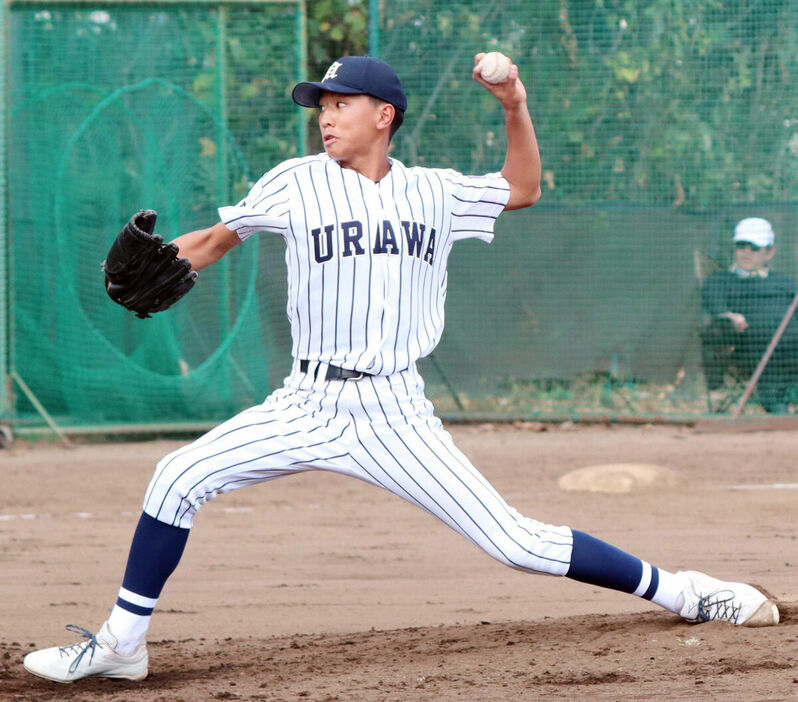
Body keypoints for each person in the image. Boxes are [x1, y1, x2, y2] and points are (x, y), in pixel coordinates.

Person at [23, 54, 779, 684]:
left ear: (383, 114)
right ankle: (123, 644)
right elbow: (218, 240)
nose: (324, 114)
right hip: (305, 402)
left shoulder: (435, 193)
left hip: (395, 414)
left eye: (341, 102)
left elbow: (523, 189)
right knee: (175, 478)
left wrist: (514, 103)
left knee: (517, 543)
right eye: (320, 103)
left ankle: (686, 591)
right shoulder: (295, 180)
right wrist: (158, 262)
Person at [701, 217, 798, 413]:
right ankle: (775, 402)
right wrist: (728, 316)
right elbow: (713, 303)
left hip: (791, 349)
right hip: (748, 348)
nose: (746, 252)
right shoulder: (720, 281)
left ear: (769, 253)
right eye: (741, 245)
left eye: (754, 247)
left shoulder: (785, 283)